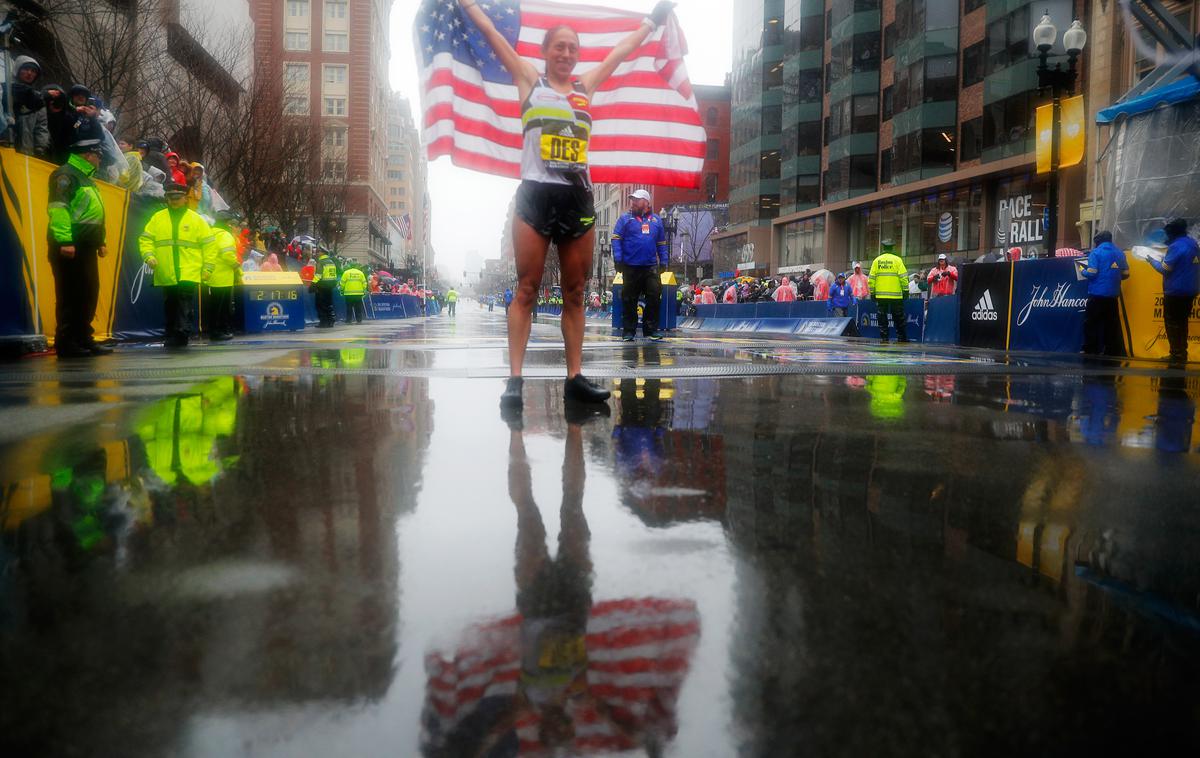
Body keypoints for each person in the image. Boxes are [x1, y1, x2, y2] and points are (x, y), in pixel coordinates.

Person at [461, 0, 676, 410]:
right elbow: (491, 34)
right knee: (526, 289)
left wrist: (654, 19)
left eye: (572, 48)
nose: (565, 53)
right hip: (535, 197)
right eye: (558, 46)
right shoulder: (529, 80)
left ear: (577, 55)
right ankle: (515, 380)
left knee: (574, 292)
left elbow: (620, 53)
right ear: (545, 52)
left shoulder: (585, 86)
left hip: (577, 197)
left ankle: (575, 378)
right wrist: (469, 4)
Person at [46, 139, 112, 357]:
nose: (100, 159)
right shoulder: (66, 174)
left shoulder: (86, 177)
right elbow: (59, 209)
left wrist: (100, 241)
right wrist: (65, 241)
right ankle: (67, 342)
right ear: (87, 155)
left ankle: (84, 337)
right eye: (98, 155)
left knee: (88, 293)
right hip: (70, 246)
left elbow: (93, 214)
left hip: (86, 247)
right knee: (70, 295)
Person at [138, 182, 218, 349]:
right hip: (166, 271)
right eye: (170, 198)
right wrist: (149, 256)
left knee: (183, 302)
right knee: (170, 303)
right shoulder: (158, 218)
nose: (173, 201)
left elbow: (210, 245)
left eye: (177, 198)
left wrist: (208, 268)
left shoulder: (197, 220)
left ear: (185, 198)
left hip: (188, 270)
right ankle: (172, 333)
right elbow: (146, 239)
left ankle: (181, 334)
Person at [612, 189, 668, 341]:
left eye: (637, 200)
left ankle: (650, 330)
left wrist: (664, 261)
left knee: (654, 296)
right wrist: (618, 258)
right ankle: (629, 331)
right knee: (629, 299)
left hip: (650, 267)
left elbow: (661, 243)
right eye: (633, 200)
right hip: (630, 266)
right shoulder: (625, 219)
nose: (634, 202)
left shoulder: (656, 221)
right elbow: (616, 238)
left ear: (646, 202)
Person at [1148, 218, 1200, 363]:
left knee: (1172, 323)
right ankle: (1182, 351)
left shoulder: (1176, 246)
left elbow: (1165, 269)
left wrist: (1151, 260)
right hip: (1191, 290)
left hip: (1175, 291)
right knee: (1183, 322)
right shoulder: (1193, 244)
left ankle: (1176, 354)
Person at [204, 210, 242, 341]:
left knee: (214, 306)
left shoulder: (210, 232)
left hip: (210, 275)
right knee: (222, 307)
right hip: (223, 277)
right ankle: (219, 332)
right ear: (228, 223)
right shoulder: (225, 235)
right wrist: (236, 265)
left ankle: (214, 330)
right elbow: (227, 254)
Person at [869, 239, 909, 343]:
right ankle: (901, 338)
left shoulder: (876, 261)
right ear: (892, 248)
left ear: (883, 248)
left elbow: (871, 279)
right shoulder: (898, 260)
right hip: (896, 296)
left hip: (881, 296)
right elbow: (903, 277)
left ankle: (884, 338)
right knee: (899, 318)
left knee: (882, 318)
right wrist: (905, 290)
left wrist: (872, 292)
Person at [9, 56, 49, 157]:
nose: (30, 73)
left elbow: (41, 126)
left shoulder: (37, 99)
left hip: (26, 150)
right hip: (7, 144)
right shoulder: (5, 91)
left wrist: (40, 147)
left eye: (33, 71)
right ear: (17, 69)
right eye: (26, 69)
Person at [310, 247, 339, 328]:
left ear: (322, 253)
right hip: (330, 285)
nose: (317, 253)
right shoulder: (331, 262)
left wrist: (313, 284)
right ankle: (331, 320)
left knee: (320, 304)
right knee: (329, 303)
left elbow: (318, 275)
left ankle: (323, 322)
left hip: (322, 285)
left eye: (318, 252)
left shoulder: (321, 262)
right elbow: (334, 274)